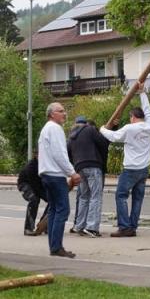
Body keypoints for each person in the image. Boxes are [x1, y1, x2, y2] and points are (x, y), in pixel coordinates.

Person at [100, 84, 150, 237]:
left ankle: (124, 227)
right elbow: (149, 110)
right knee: (138, 198)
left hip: (131, 168)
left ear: (132, 116)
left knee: (121, 195)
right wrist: (142, 93)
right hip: (144, 168)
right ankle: (132, 226)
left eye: (130, 117)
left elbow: (113, 137)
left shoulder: (129, 128)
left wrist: (102, 129)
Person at [38, 102, 81, 258]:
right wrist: (72, 172)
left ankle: (54, 246)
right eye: (61, 111)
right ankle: (56, 247)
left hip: (47, 174)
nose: (65, 114)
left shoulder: (46, 129)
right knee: (62, 210)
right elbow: (59, 154)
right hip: (55, 175)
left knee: (55, 210)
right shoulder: (55, 129)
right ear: (51, 114)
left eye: (64, 110)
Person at [67, 115, 109, 237]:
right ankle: (92, 227)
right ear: (85, 123)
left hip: (79, 168)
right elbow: (103, 143)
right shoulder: (90, 130)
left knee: (83, 197)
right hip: (93, 165)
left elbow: (67, 153)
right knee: (96, 196)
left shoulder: (71, 136)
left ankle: (79, 226)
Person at [18, 155, 48, 236]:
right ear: (36, 156)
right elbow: (35, 187)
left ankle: (44, 224)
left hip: (38, 185)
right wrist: (45, 197)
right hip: (25, 184)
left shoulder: (46, 164)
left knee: (53, 200)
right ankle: (28, 228)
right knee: (34, 199)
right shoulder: (31, 166)